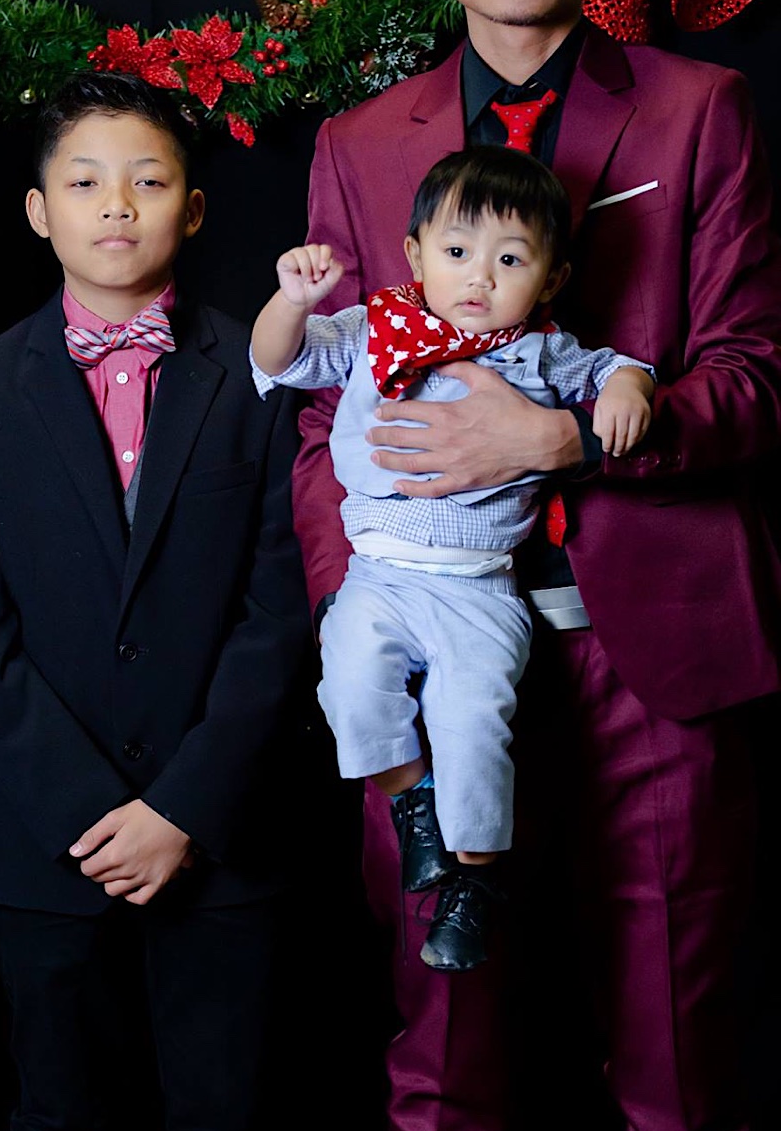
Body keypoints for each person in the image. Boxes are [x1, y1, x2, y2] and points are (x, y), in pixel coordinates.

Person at [292, 0, 781, 1131]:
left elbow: (757, 379)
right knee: (443, 1059)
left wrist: (563, 433)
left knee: (683, 1081)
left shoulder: (699, 115)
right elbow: (317, 432)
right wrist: (361, 618)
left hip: (650, 659)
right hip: (431, 660)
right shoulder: (360, 147)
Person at [0, 71, 309, 1131]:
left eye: (148, 180)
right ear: (38, 211)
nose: (117, 206)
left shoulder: (262, 375)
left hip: (221, 831)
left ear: (193, 208)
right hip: (47, 845)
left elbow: (282, 609)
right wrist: (95, 813)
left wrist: (184, 808)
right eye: (85, 181)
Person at [251, 145, 653, 971]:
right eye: (458, 251)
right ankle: (413, 806)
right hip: (378, 577)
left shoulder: (540, 350)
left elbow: (622, 366)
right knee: (349, 689)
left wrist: (625, 389)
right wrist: (291, 303)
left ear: (551, 278)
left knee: (473, 729)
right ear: (415, 254)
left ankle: (474, 879)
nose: (479, 277)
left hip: (479, 589)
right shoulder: (373, 329)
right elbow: (278, 360)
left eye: (510, 260)